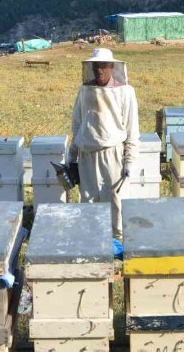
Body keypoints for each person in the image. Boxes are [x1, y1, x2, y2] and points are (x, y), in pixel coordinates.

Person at [68, 48, 140, 238]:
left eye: (103, 66)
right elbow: (77, 123)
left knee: (116, 200)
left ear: (112, 67)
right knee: (88, 200)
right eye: (95, 66)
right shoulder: (85, 90)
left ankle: (119, 241)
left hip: (113, 154)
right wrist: (71, 156)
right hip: (87, 153)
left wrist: (130, 160)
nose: (99, 70)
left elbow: (132, 129)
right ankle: (90, 242)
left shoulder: (125, 92)